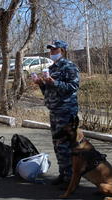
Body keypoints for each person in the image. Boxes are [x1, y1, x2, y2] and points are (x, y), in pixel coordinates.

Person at [33, 40, 80, 186]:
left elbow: (73, 86)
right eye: (51, 50)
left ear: (63, 51)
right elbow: (49, 91)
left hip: (66, 111)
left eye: (55, 50)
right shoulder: (51, 68)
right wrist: (42, 84)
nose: (52, 53)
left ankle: (71, 178)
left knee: (65, 145)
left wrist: (54, 82)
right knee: (57, 144)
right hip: (54, 111)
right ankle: (63, 173)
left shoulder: (70, 66)